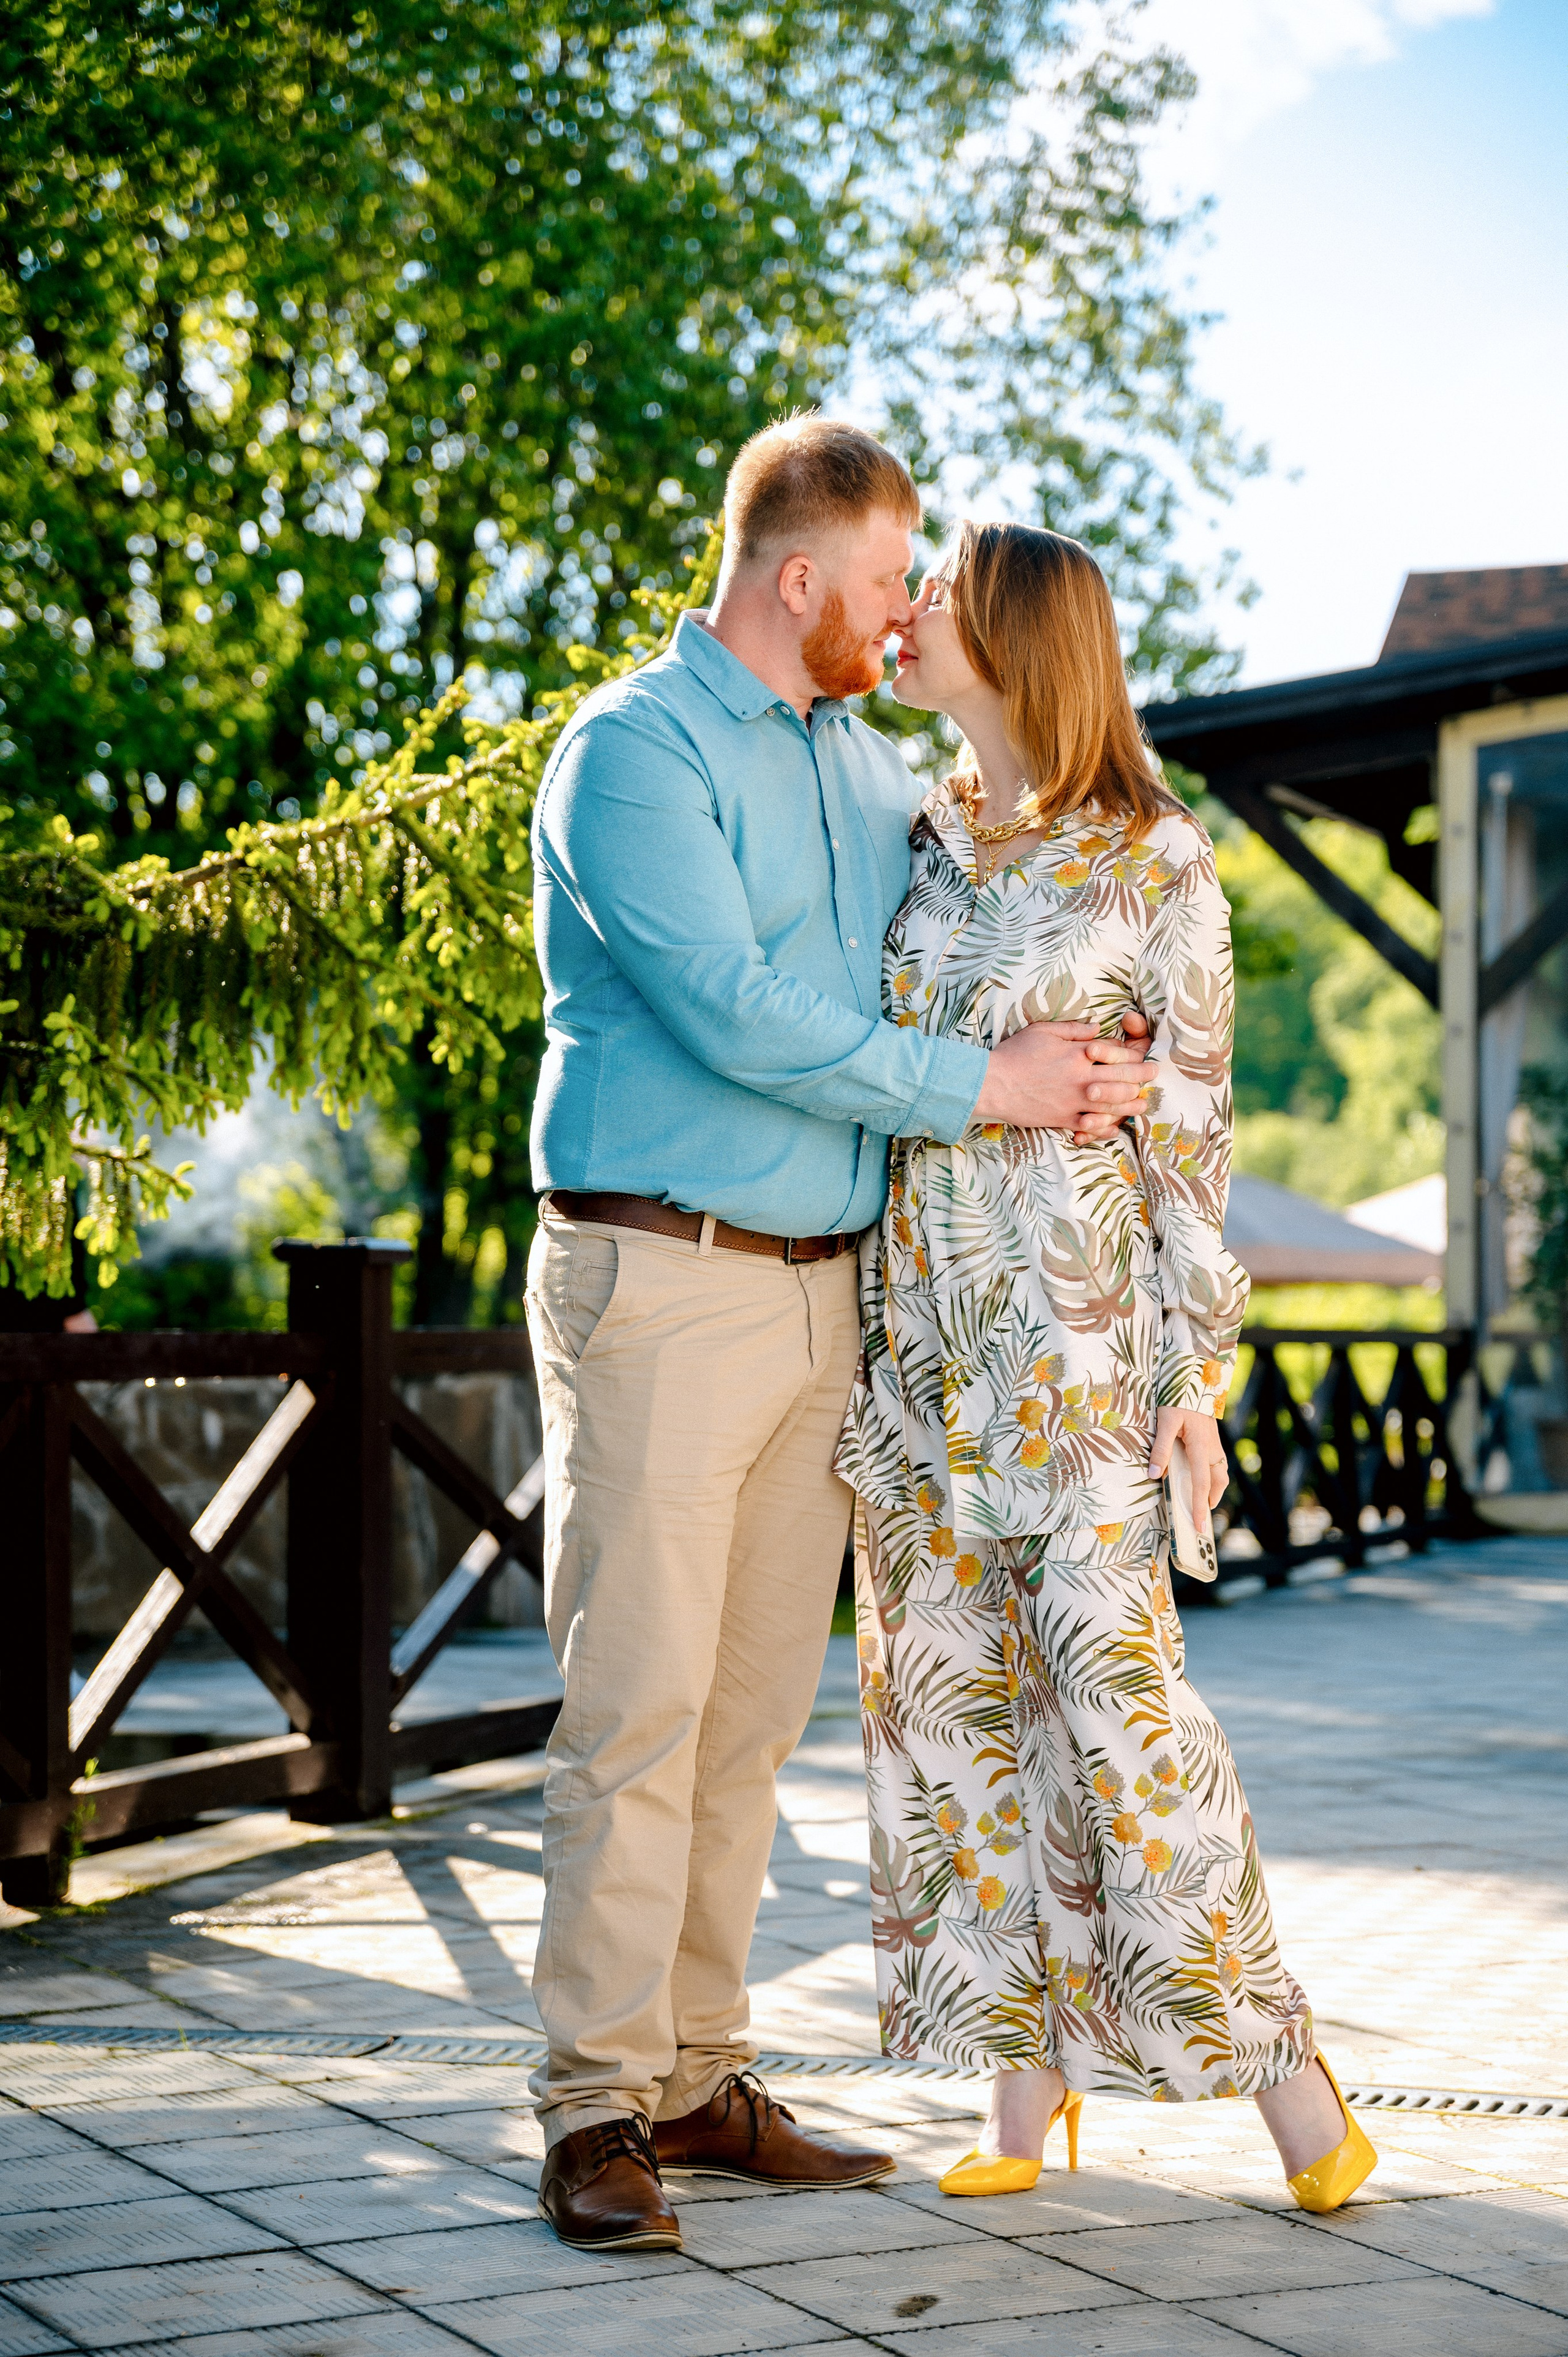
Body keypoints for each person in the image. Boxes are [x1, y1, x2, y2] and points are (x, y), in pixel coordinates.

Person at [524, 418, 1159, 2252]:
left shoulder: (866, 771)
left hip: (830, 1296)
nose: (906, 620)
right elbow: (736, 1014)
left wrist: (1103, 1039)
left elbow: (1008, 860)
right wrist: (989, 1085)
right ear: (798, 578)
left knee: (746, 1717)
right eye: (890, 584)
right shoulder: (628, 756)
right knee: (633, 1705)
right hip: (662, 1280)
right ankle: (589, 2111)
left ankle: (698, 2077)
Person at [835, 519, 1378, 2215]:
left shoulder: (1158, 862)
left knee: (1127, 1725)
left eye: (936, 597)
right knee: (953, 1726)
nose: (906, 618)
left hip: (1077, 1367)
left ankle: (1297, 2083)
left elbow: (1196, 1139)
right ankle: (1022, 2100)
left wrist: (1192, 1377)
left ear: (1016, 638)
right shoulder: (913, 844)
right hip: (917, 1359)